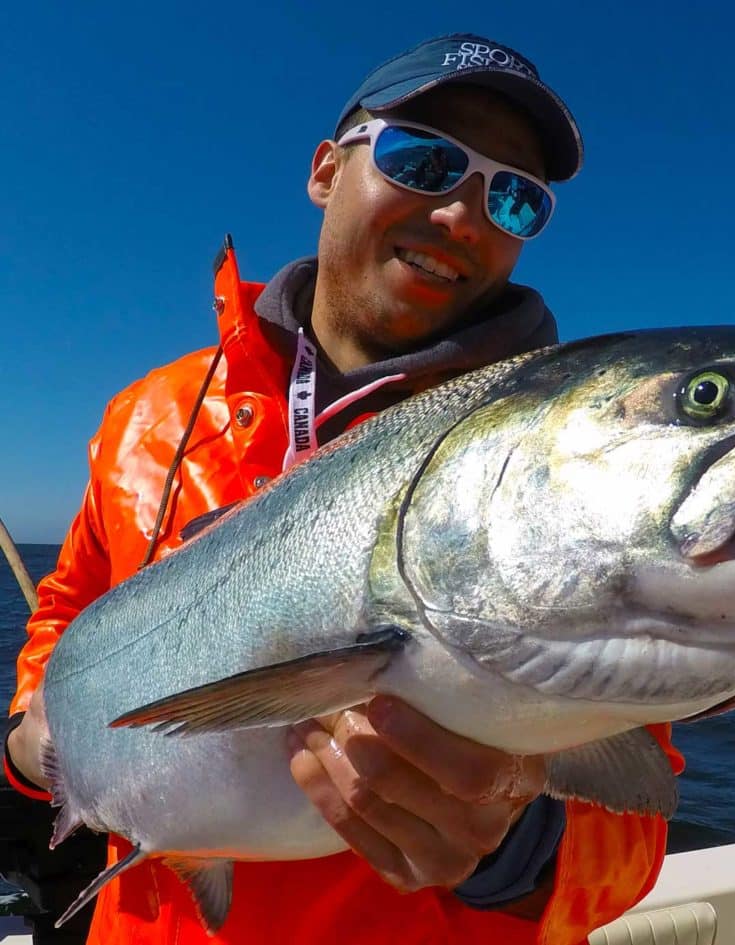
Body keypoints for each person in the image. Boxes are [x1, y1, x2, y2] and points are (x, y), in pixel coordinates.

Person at [4, 33, 683, 945]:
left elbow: (636, 823)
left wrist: (514, 847)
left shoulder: (551, 475)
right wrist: (32, 741)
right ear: (327, 170)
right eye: (425, 159)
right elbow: (70, 606)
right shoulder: (149, 415)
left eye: (513, 198)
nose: (462, 218)